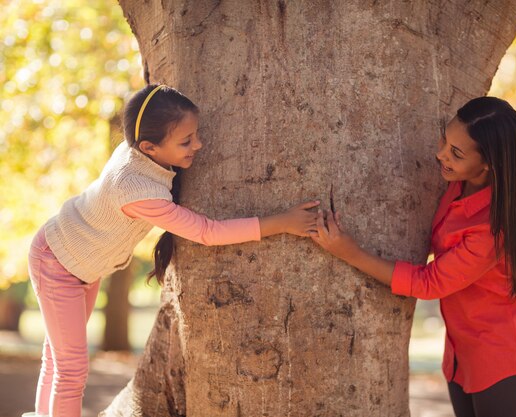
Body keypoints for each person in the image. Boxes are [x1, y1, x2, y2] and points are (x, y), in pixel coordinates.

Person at [24, 84, 319, 417]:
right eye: (186, 141)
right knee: (72, 368)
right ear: (149, 147)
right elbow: (207, 232)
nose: (199, 144)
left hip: (82, 262)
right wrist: (282, 222)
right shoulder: (136, 190)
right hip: (57, 261)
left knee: (58, 358)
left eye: (195, 135)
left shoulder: (140, 149)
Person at [311, 96, 516, 417]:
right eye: (445, 140)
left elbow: (430, 283)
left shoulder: (498, 224)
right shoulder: (459, 184)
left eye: (456, 153)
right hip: (462, 340)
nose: (441, 155)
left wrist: (348, 252)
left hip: (500, 344)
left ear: (489, 163)